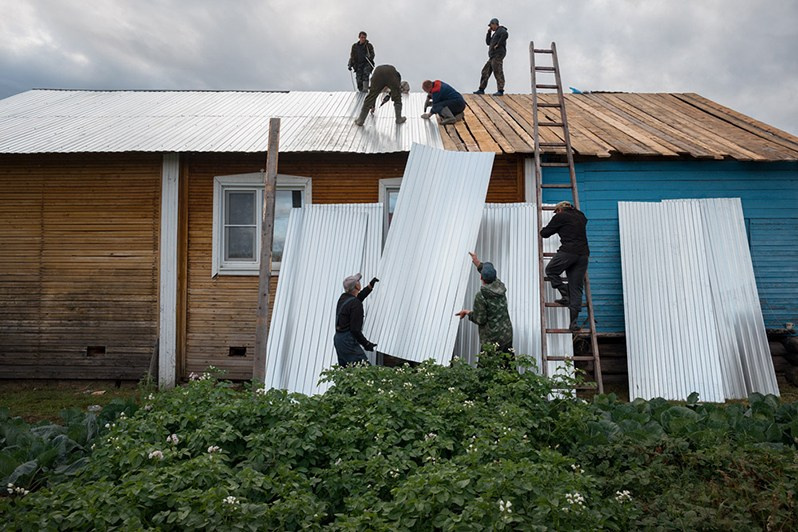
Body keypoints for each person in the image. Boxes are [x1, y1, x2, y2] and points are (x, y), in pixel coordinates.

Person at [540, 201, 590, 331]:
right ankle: (573, 323)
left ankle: (565, 294)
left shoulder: (561, 216)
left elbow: (545, 233)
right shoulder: (581, 215)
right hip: (583, 254)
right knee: (576, 288)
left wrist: (547, 228)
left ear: (560, 210)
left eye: (556, 211)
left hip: (568, 251)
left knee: (550, 270)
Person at [456, 252, 514, 359]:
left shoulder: (482, 296)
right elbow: (489, 275)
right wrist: (477, 262)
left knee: (486, 370)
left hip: (492, 339)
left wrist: (467, 312)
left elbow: (480, 319)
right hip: (507, 334)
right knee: (508, 366)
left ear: (481, 278)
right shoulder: (499, 286)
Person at [334, 274, 379, 367]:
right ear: (357, 286)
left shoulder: (343, 298)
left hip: (339, 340)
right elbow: (355, 330)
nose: (359, 282)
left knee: (347, 373)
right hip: (348, 342)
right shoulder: (356, 304)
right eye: (358, 281)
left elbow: (357, 298)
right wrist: (366, 344)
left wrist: (370, 287)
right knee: (365, 372)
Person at [473, 18, 508, 96]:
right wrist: (488, 33)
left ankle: (500, 90)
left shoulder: (501, 30)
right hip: (492, 56)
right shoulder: (495, 34)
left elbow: (505, 34)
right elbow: (488, 42)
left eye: (491, 25)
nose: (491, 27)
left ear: (495, 24)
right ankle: (481, 89)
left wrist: (498, 44)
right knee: (485, 71)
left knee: (497, 71)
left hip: (497, 55)